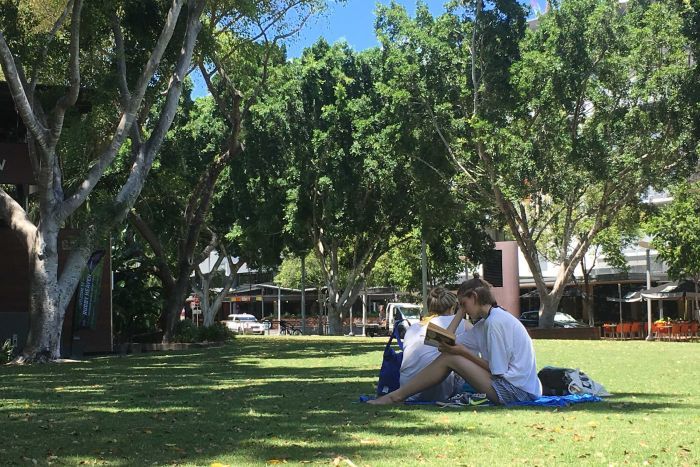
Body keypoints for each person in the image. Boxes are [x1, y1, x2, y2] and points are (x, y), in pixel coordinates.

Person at [369, 277, 542, 405]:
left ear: (474, 297)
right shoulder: (486, 322)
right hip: (512, 387)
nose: (462, 309)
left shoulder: (496, 322)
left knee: (451, 358)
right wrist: (459, 314)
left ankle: (397, 396)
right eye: (459, 306)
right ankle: (398, 395)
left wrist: (463, 352)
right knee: (449, 356)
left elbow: (497, 371)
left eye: (463, 304)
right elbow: (443, 342)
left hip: (517, 391)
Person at [400, 287, 471, 402]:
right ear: (453, 307)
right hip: (439, 391)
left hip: (407, 391)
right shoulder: (461, 323)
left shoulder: (413, 328)